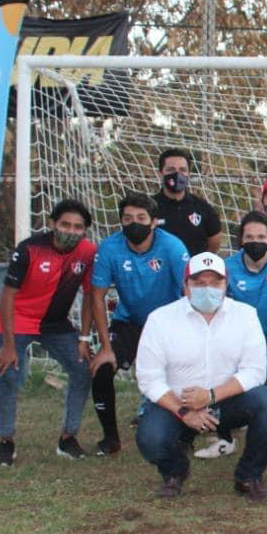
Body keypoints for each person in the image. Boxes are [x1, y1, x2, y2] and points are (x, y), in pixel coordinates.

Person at [135, 252, 267, 501]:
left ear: (226, 285)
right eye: (199, 283)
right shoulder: (160, 319)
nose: (208, 289)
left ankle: (248, 477)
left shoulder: (246, 315)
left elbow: (255, 371)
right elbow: (149, 377)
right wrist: (184, 412)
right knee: (150, 438)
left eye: (215, 283)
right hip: (178, 403)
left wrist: (211, 395)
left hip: (226, 400)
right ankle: (175, 471)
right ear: (185, 286)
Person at [196, 212, 267, 462]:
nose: (255, 241)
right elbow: (219, 308)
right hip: (247, 337)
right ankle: (225, 439)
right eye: (249, 237)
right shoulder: (228, 266)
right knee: (220, 379)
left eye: (261, 236)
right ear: (241, 240)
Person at [0, 199, 98, 466]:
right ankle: (6, 441)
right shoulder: (29, 249)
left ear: (84, 230)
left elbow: (89, 296)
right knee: (11, 375)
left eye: (77, 227)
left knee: (83, 369)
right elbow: (7, 296)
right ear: (52, 224)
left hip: (56, 324)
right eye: (65, 224)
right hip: (18, 321)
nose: (70, 231)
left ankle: (68, 438)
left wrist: (84, 338)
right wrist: (7, 343)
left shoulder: (87, 252)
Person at [89, 193, 189, 456]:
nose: (134, 223)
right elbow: (96, 296)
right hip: (130, 321)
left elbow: (189, 290)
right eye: (128, 218)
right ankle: (111, 439)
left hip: (169, 322)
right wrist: (105, 346)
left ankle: (185, 435)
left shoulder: (173, 247)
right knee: (101, 369)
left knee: (187, 374)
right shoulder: (110, 247)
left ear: (154, 222)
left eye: (141, 218)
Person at [152, 148, 223, 256]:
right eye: (171, 170)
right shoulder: (149, 207)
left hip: (194, 271)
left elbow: (215, 242)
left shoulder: (203, 207)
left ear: (189, 174)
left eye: (183, 170)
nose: (177, 174)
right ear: (160, 174)